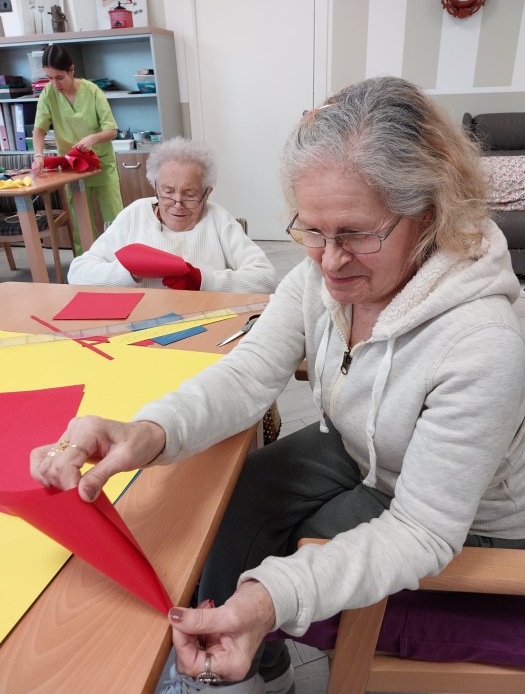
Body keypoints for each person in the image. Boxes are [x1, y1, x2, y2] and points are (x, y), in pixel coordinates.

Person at [30, 77, 525, 694]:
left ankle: (238, 659)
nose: (329, 260)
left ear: (429, 214)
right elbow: (247, 373)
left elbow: (423, 529)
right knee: (236, 499)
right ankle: (252, 669)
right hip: (362, 447)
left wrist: (272, 595)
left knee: (291, 551)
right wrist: (148, 431)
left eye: (356, 233)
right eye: (311, 230)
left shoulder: (481, 340)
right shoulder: (321, 276)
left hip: (462, 511)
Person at [67, 137, 278, 294]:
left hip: (205, 320)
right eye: (168, 191)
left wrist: (202, 281)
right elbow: (77, 274)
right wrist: (128, 272)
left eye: (190, 194)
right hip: (140, 324)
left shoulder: (218, 219)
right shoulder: (136, 214)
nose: (177, 203)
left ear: (207, 193)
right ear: (155, 186)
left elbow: (266, 279)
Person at [31, 44, 124, 255]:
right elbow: (39, 129)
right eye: (49, 78)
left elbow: (112, 131)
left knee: (115, 219)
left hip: (101, 164)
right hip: (71, 168)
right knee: (81, 224)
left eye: (59, 77)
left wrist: (92, 138)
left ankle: (121, 262)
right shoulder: (48, 93)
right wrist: (38, 155)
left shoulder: (92, 91)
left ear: (71, 70)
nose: (55, 84)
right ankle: (86, 265)